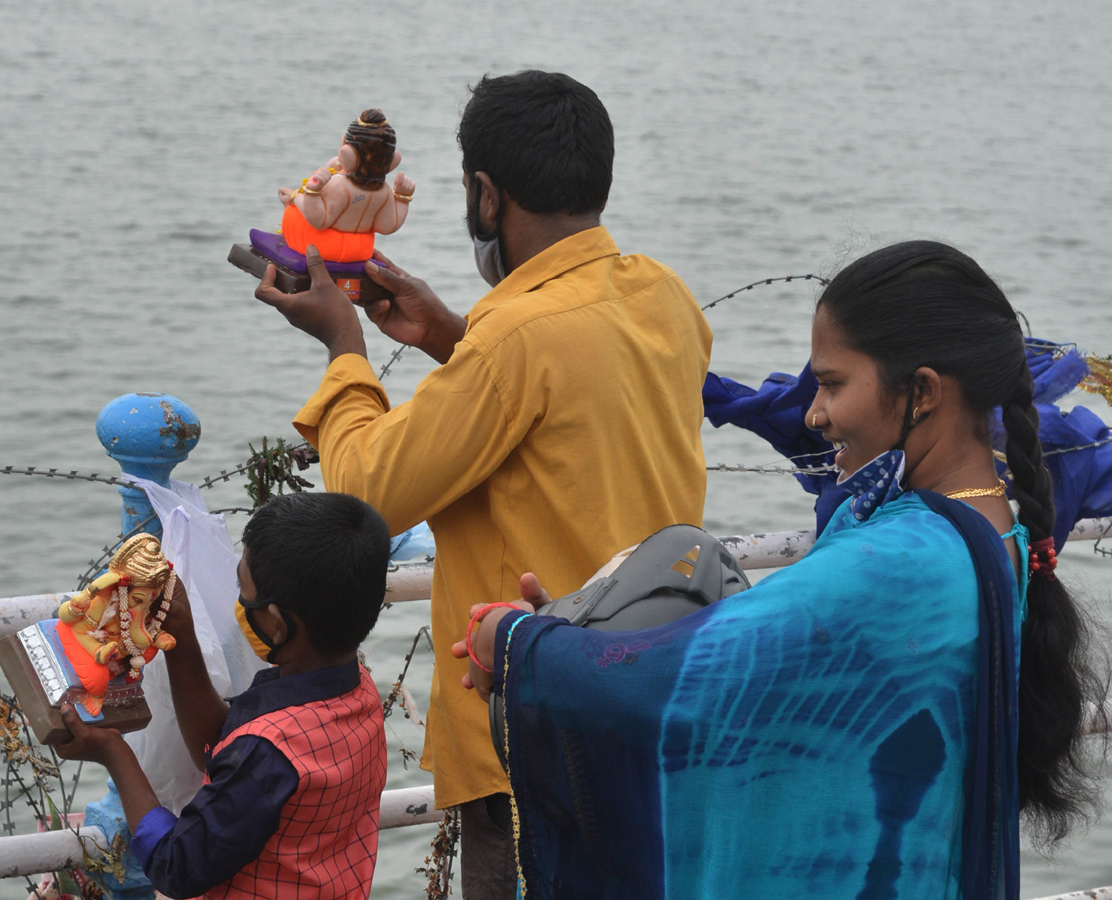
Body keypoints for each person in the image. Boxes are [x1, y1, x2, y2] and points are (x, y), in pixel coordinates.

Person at [460, 241, 1109, 899]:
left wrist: (518, 646)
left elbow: (674, 681)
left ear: (923, 392)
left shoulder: (906, 559)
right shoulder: (994, 527)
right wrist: (573, 634)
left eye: (831, 384)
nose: (813, 413)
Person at [254, 70, 713, 899]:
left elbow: (367, 494)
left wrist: (344, 345)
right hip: (653, 694)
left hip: (529, 722)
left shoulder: (514, 338)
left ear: (486, 193)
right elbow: (573, 411)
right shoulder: (663, 295)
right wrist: (451, 338)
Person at [55, 492, 390, 900]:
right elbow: (216, 747)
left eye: (243, 593)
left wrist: (114, 752)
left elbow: (176, 865)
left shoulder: (268, 753)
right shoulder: (359, 692)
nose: (238, 601)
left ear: (276, 624)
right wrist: (179, 632)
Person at [277, 108, 415, 263]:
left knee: (292, 211)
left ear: (348, 152)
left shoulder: (340, 186)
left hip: (323, 249)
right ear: (391, 160)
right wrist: (403, 199)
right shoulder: (384, 191)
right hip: (361, 250)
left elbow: (320, 220)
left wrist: (299, 195)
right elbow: (387, 226)